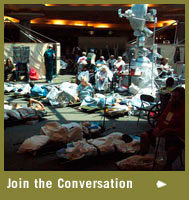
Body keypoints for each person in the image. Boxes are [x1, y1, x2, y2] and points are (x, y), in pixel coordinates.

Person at [140, 87, 185, 170]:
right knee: (144, 135)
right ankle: (142, 159)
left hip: (176, 136)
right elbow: (162, 117)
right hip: (163, 131)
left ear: (182, 99)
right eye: (172, 97)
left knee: (172, 150)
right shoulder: (170, 104)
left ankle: (166, 167)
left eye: (175, 97)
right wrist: (157, 127)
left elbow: (183, 131)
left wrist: (169, 130)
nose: (172, 99)